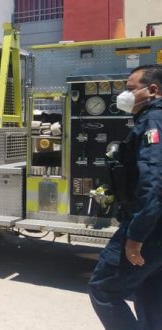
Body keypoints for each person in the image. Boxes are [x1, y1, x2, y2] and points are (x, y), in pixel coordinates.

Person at [88, 64, 162, 329]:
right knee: (150, 291)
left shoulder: (153, 122)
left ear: (152, 90)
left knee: (103, 290)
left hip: (150, 228)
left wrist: (136, 237)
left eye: (130, 89)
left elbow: (154, 184)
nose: (124, 95)